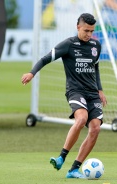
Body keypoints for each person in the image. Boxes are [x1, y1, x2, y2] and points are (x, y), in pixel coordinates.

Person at [21, 13, 107, 179]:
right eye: (86, 30)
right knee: (81, 119)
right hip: (75, 91)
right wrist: (32, 73)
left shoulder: (96, 45)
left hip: (92, 93)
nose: (89, 34)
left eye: (91, 31)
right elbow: (46, 58)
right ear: (78, 27)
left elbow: (95, 68)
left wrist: (100, 89)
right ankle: (61, 157)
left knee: (95, 128)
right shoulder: (68, 44)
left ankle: (74, 169)